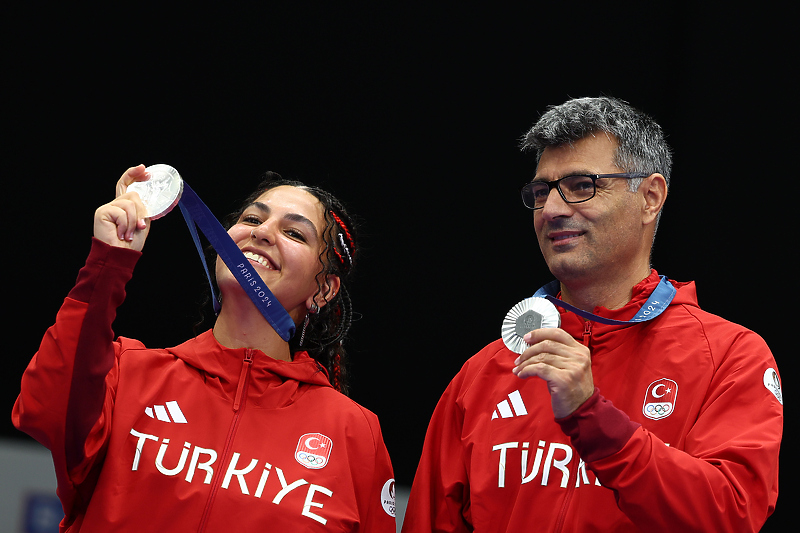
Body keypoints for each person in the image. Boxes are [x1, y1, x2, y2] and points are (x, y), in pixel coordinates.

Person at [401, 97, 782, 532]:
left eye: (583, 185)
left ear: (650, 197)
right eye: (542, 191)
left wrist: (592, 417)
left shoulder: (731, 356)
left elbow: (731, 515)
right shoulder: (483, 372)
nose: (553, 211)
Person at [12, 165, 397, 531]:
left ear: (324, 289)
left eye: (295, 233)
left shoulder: (354, 433)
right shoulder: (128, 373)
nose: (262, 233)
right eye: (251, 219)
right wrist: (109, 261)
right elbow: (45, 407)